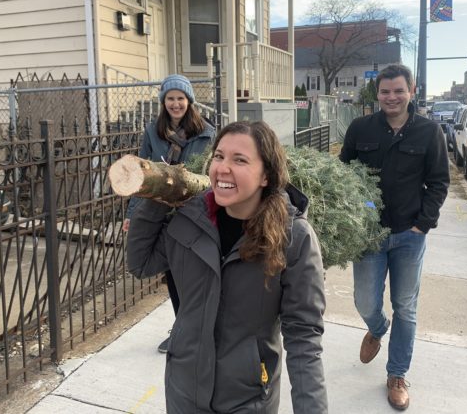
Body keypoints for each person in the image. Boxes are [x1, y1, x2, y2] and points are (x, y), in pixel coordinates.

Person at [127, 121, 327, 414]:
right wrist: (160, 195)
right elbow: (140, 263)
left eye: (240, 160)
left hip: (247, 399)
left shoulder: (292, 238)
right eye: (219, 156)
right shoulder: (190, 219)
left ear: (266, 176)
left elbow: (304, 339)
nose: (222, 167)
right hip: (184, 390)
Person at [339, 64, 449, 411]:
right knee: (364, 301)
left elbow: (439, 182)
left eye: (398, 90)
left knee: (406, 306)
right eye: (385, 91)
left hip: (408, 236)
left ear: (411, 91)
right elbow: (342, 173)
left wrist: (423, 223)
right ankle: (376, 327)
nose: (391, 97)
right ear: (377, 94)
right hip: (369, 234)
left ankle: (397, 374)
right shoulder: (360, 128)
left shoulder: (429, 132)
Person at [122, 73, 216, 353]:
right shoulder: (154, 131)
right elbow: (143, 174)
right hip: (160, 212)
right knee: (172, 272)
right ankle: (182, 328)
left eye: (181, 98)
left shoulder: (207, 133)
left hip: (194, 212)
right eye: (170, 99)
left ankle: (197, 328)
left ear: (190, 101)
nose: (176, 104)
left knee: (193, 274)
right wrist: (132, 214)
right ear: (164, 102)